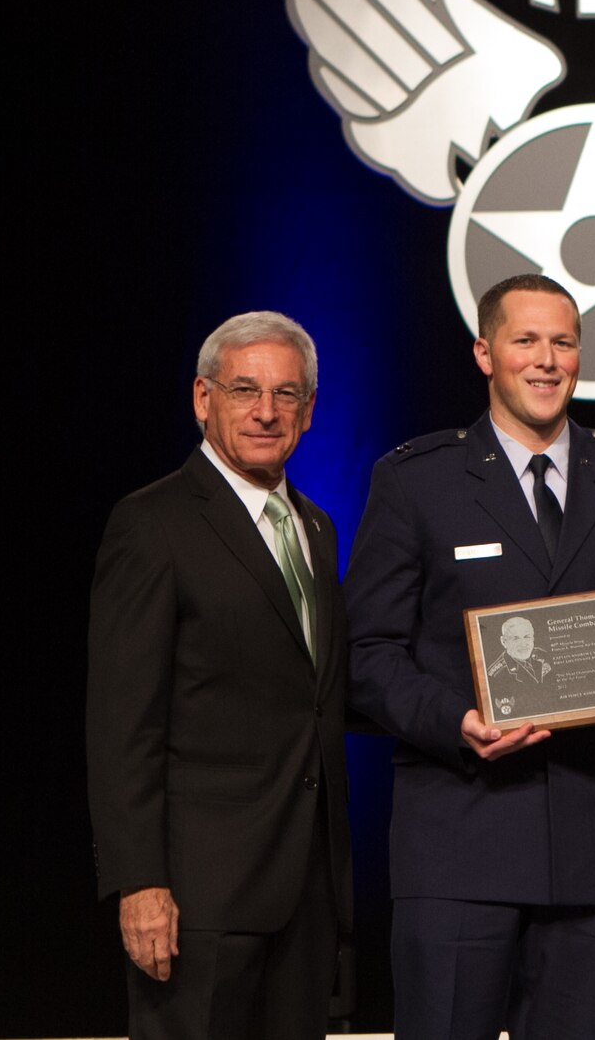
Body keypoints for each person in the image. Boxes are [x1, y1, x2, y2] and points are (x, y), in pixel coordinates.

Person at [345, 273, 595, 1040]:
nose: (546, 359)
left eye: (562, 341)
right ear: (484, 353)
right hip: (462, 840)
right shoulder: (416, 480)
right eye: (524, 340)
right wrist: (456, 719)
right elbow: (366, 655)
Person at [86, 311, 351, 1040]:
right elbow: (122, 724)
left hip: (305, 892)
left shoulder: (317, 528)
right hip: (197, 900)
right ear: (203, 398)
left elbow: (326, 691)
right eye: (244, 389)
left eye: (287, 393)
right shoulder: (153, 523)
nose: (267, 411)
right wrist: (140, 882)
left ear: (310, 409)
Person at [484, 615, 554, 723]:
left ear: (533, 638)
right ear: (504, 641)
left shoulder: (544, 656)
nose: (523, 644)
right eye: (516, 638)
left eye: (527, 637)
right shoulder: (496, 676)